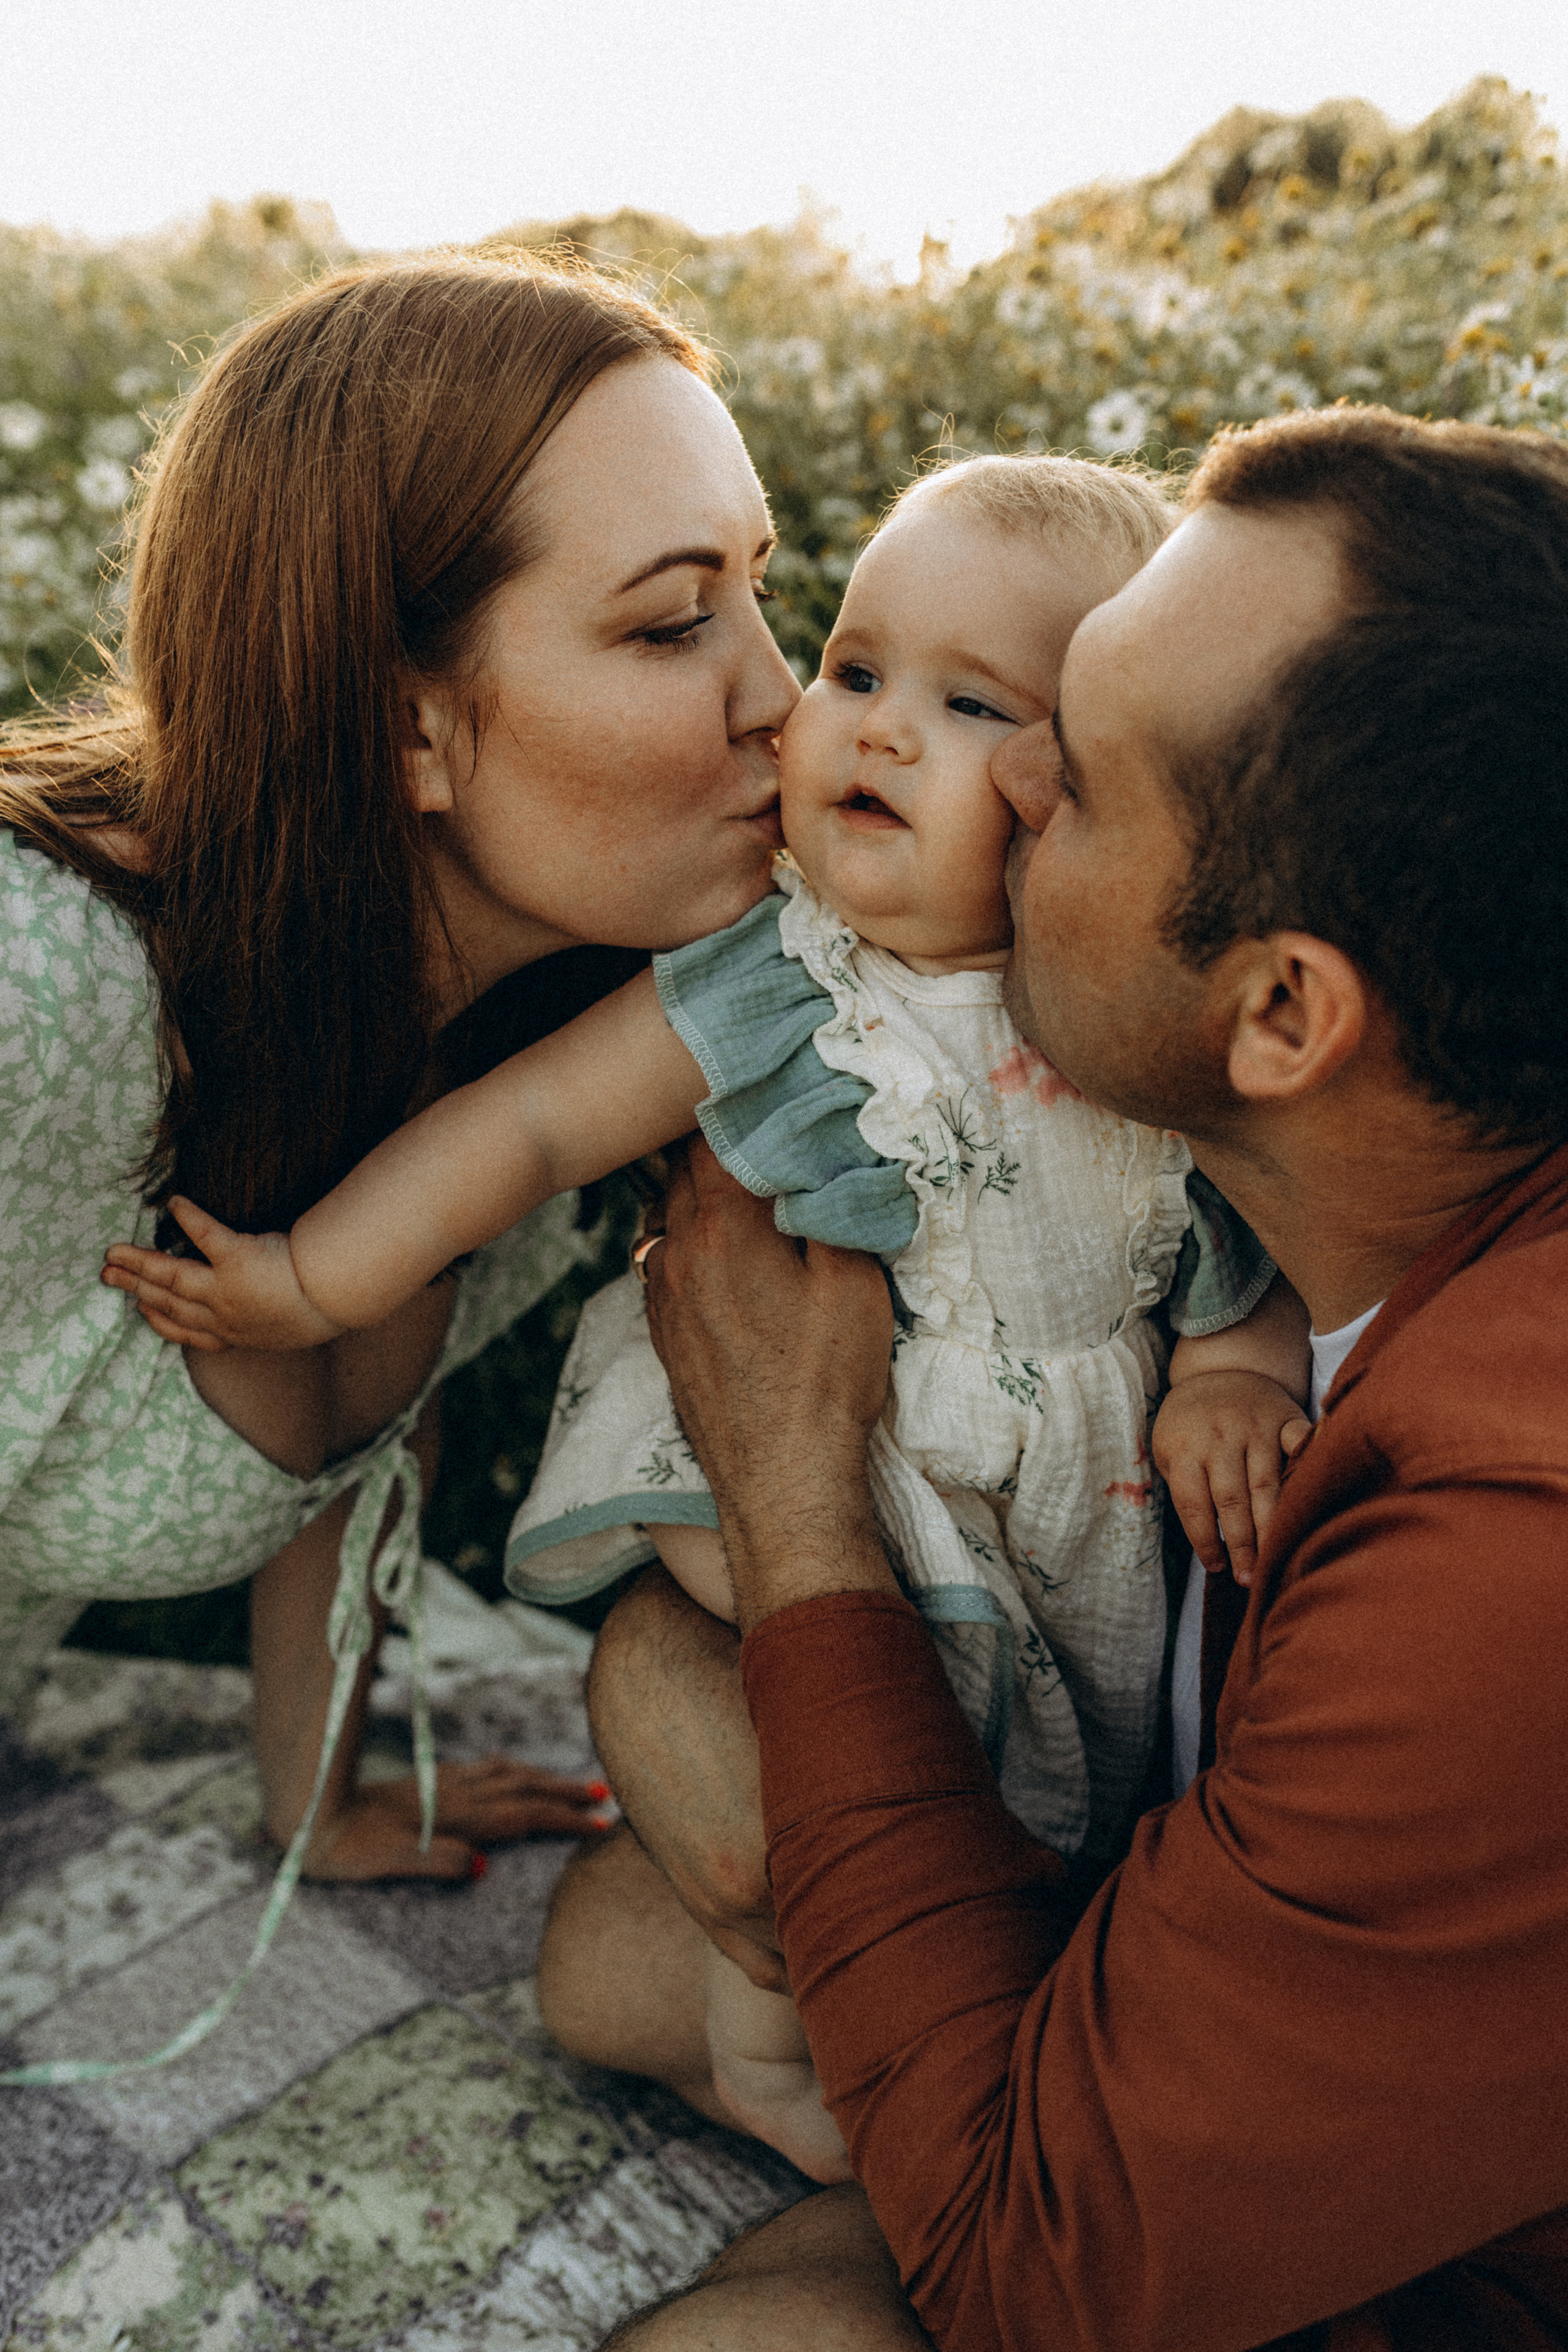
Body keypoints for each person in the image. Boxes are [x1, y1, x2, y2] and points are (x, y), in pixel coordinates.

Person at [105, 453, 1310, 2175]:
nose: (870, 728)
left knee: (1042, 1823)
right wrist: (308, 1283)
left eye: (970, 704)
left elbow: (1234, 1233)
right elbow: (517, 1131)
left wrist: (1231, 1373)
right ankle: (773, 2059)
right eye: (860, 666)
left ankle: (948, 2032)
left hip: (1072, 1537)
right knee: (781, 1771)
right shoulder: (772, 973)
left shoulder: (1128, 1020)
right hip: (829, 1507)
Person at [538, 405, 1568, 2351]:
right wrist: (677, 1647)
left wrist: (790, 1489)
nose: (986, 795)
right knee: (609, 1957)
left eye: (1071, 775)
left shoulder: (1515, 1542)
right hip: (1148, 2038)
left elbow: (1038, 2272)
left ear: (1279, 1011)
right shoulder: (1303, 1263)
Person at [0, 251, 799, 1940]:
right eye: (672, 623)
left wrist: (320, 1791)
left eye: (759, 591)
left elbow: (364, 1422)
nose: (785, 704)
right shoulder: (41, 993)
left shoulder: (561, 1040)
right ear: (403, 735)